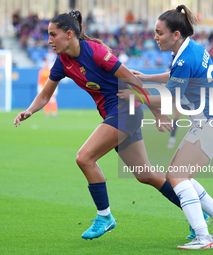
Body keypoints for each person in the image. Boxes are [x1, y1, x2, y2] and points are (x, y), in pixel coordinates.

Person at [14, 10, 193, 241]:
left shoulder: (96, 52)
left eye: (52, 34)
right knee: (145, 174)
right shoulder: (62, 62)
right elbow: (45, 95)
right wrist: (29, 110)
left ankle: (105, 217)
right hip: (114, 114)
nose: (49, 40)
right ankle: (197, 213)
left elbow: (133, 81)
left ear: (69, 34)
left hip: (124, 110)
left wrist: (157, 112)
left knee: (84, 157)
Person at [118, 5, 213, 250]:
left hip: (211, 123)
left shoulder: (185, 56)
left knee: (177, 176)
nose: (155, 37)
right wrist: (147, 78)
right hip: (212, 120)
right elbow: (176, 75)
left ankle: (204, 238)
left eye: (159, 32)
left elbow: (169, 98)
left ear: (175, 35)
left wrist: (136, 97)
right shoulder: (189, 49)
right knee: (178, 175)